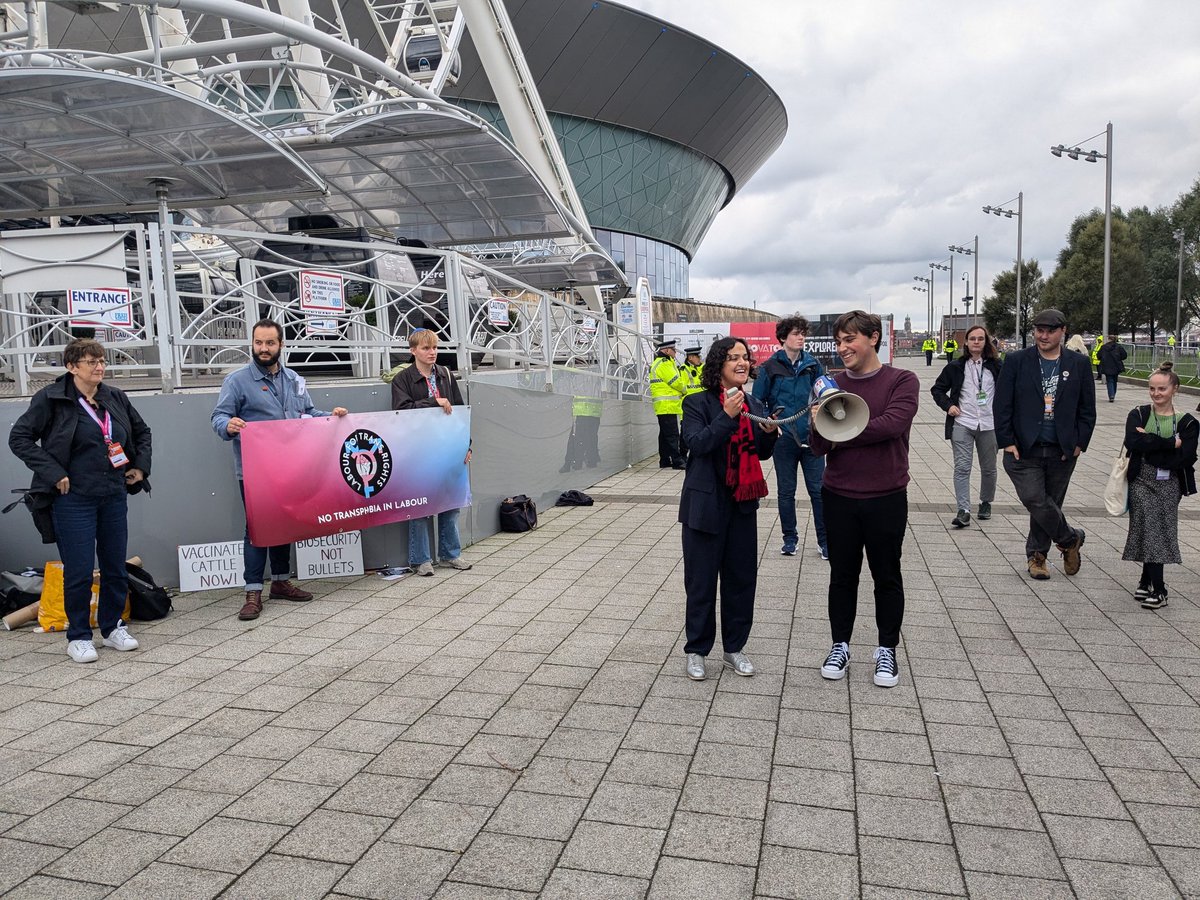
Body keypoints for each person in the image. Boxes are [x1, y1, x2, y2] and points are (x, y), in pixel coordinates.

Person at [9, 338, 151, 663]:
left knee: (115, 565)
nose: (100, 367)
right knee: (79, 571)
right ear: (72, 367)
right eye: (91, 362)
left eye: (102, 361)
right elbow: (19, 438)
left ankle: (113, 627)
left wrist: (140, 467)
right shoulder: (51, 398)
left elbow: (142, 432)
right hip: (73, 499)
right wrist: (53, 471)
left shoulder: (114, 396)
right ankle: (79, 636)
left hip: (113, 493)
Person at [810, 311, 919, 689]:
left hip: (886, 496)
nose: (842, 348)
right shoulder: (830, 385)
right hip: (838, 495)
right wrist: (818, 421)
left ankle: (886, 648)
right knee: (842, 576)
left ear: (873, 338)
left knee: (886, 576)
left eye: (849, 339)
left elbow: (892, 425)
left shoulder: (902, 380)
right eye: (838, 341)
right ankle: (839, 645)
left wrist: (840, 426)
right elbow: (819, 446)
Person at [212, 320, 348, 621]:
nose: (263, 348)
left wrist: (332, 417)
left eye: (270, 343)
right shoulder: (236, 381)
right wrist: (228, 425)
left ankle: (281, 582)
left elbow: (307, 414)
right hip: (255, 472)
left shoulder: (295, 379)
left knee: (284, 523)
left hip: (289, 468)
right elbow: (218, 417)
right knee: (256, 528)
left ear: (281, 345)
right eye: (258, 342)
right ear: (252, 343)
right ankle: (252, 591)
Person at [679, 337, 778, 680]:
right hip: (705, 506)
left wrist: (769, 432)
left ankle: (734, 648)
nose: (742, 363)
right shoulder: (696, 402)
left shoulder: (754, 403)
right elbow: (697, 444)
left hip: (741, 505)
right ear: (718, 364)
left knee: (740, 580)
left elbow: (762, 453)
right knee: (701, 582)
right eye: (733, 357)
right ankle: (696, 650)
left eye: (745, 357)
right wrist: (726, 416)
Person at [994, 308, 1095, 580]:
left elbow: (1087, 409)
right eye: (1040, 330)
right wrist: (1006, 441)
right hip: (1023, 448)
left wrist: (1079, 443)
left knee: (1050, 503)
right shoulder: (1016, 361)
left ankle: (1037, 557)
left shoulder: (1078, 364)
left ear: (1063, 331)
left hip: (1062, 449)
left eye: (1051, 331)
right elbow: (1002, 404)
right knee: (1034, 498)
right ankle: (1070, 539)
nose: (1044, 336)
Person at [391, 328, 473, 576]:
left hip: (447, 446)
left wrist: (467, 444)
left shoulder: (445, 374)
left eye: (435, 347)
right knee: (419, 505)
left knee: (450, 502)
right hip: (418, 450)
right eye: (426, 348)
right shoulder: (402, 379)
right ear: (413, 351)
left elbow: (460, 412)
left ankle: (450, 554)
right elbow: (401, 411)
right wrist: (432, 401)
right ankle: (421, 560)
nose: (432, 352)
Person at [1121, 362, 1197, 609]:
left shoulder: (1187, 422)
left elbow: (1186, 456)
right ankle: (1159, 588)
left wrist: (1150, 443)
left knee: (1155, 528)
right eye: (1152, 388)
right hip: (1140, 479)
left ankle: (1147, 582)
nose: (1156, 393)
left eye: (1162, 389)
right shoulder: (1138, 413)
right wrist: (1169, 443)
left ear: (1175, 389)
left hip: (1170, 483)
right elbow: (1133, 442)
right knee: (1148, 526)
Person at [752, 315, 827, 558]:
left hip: (812, 438)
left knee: (819, 491)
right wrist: (771, 422)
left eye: (803, 334)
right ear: (783, 337)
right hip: (784, 439)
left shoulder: (813, 365)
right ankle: (789, 539)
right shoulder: (769, 367)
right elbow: (757, 402)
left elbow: (825, 395)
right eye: (796, 333)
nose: (801, 337)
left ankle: (824, 541)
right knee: (786, 492)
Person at [931, 324, 1002, 528]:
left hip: (989, 423)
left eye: (980, 339)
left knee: (989, 468)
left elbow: (1010, 390)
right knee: (962, 467)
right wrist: (949, 406)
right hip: (963, 422)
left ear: (986, 342)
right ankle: (963, 510)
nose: (976, 342)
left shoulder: (997, 366)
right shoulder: (955, 366)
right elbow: (937, 389)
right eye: (972, 339)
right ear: (966, 342)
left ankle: (985, 502)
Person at [648, 340, 686, 469]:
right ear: (667, 350)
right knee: (672, 434)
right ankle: (677, 461)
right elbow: (675, 381)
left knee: (665, 434)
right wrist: (685, 390)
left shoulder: (662, 362)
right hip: (667, 404)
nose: (675, 352)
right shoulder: (664, 364)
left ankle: (664, 460)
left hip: (664, 405)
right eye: (673, 350)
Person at [1097, 336, 1127, 403]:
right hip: (1116, 365)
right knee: (1114, 380)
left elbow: (1098, 355)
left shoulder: (1103, 347)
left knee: (1109, 380)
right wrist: (1119, 358)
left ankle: (1111, 395)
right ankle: (1113, 394)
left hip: (1106, 365)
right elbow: (1124, 355)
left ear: (1108, 339)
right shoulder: (1119, 347)